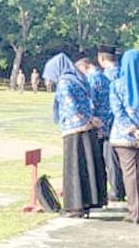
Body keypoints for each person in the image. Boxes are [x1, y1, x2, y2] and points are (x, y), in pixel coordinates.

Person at [51, 53, 105, 218]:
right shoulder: (81, 80)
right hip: (87, 128)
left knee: (74, 168)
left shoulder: (65, 81)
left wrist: (87, 119)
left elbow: (70, 105)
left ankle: (75, 206)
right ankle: (88, 202)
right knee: (87, 166)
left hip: (73, 129)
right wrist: (91, 120)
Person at [109, 49, 139, 224]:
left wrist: (133, 130)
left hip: (125, 136)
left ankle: (134, 212)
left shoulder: (116, 85)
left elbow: (118, 112)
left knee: (130, 175)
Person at [95, 46, 126, 202]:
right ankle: (125, 188)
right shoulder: (125, 73)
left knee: (111, 161)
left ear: (101, 58)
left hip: (108, 125)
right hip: (127, 125)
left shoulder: (104, 77)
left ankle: (116, 190)